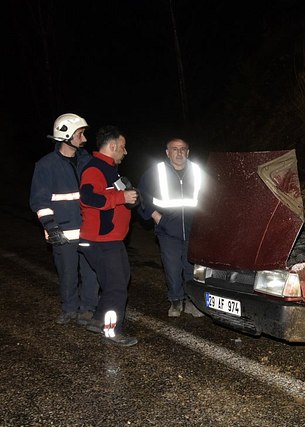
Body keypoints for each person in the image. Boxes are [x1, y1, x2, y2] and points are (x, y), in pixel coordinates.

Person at [29, 113, 99, 325]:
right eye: (80, 134)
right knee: (67, 274)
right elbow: (39, 201)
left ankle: (88, 309)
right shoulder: (46, 165)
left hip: (89, 229)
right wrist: (51, 226)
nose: (84, 139)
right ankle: (69, 309)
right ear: (66, 135)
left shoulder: (89, 161)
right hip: (63, 231)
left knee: (91, 273)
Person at [79, 125, 139, 346]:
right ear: (112, 146)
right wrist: (121, 198)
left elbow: (111, 196)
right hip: (100, 241)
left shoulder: (110, 170)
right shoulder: (94, 169)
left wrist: (127, 198)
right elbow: (87, 198)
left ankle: (97, 321)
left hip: (111, 240)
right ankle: (112, 331)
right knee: (116, 287)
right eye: (122, 147)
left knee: (120, 281)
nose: (125, 151)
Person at [138, 138, 204, 318]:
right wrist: (157, 217)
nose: (179, 152)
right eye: (175, 149)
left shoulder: (198, 171)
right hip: (168, 231)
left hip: (194, 230)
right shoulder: (156, 171)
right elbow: (141, 195)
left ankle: (192, 302)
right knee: (172, 268)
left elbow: (210, 197)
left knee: (192, 269)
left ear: (188, 152)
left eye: (183, 149)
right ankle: (175, 301)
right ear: (167, 152)